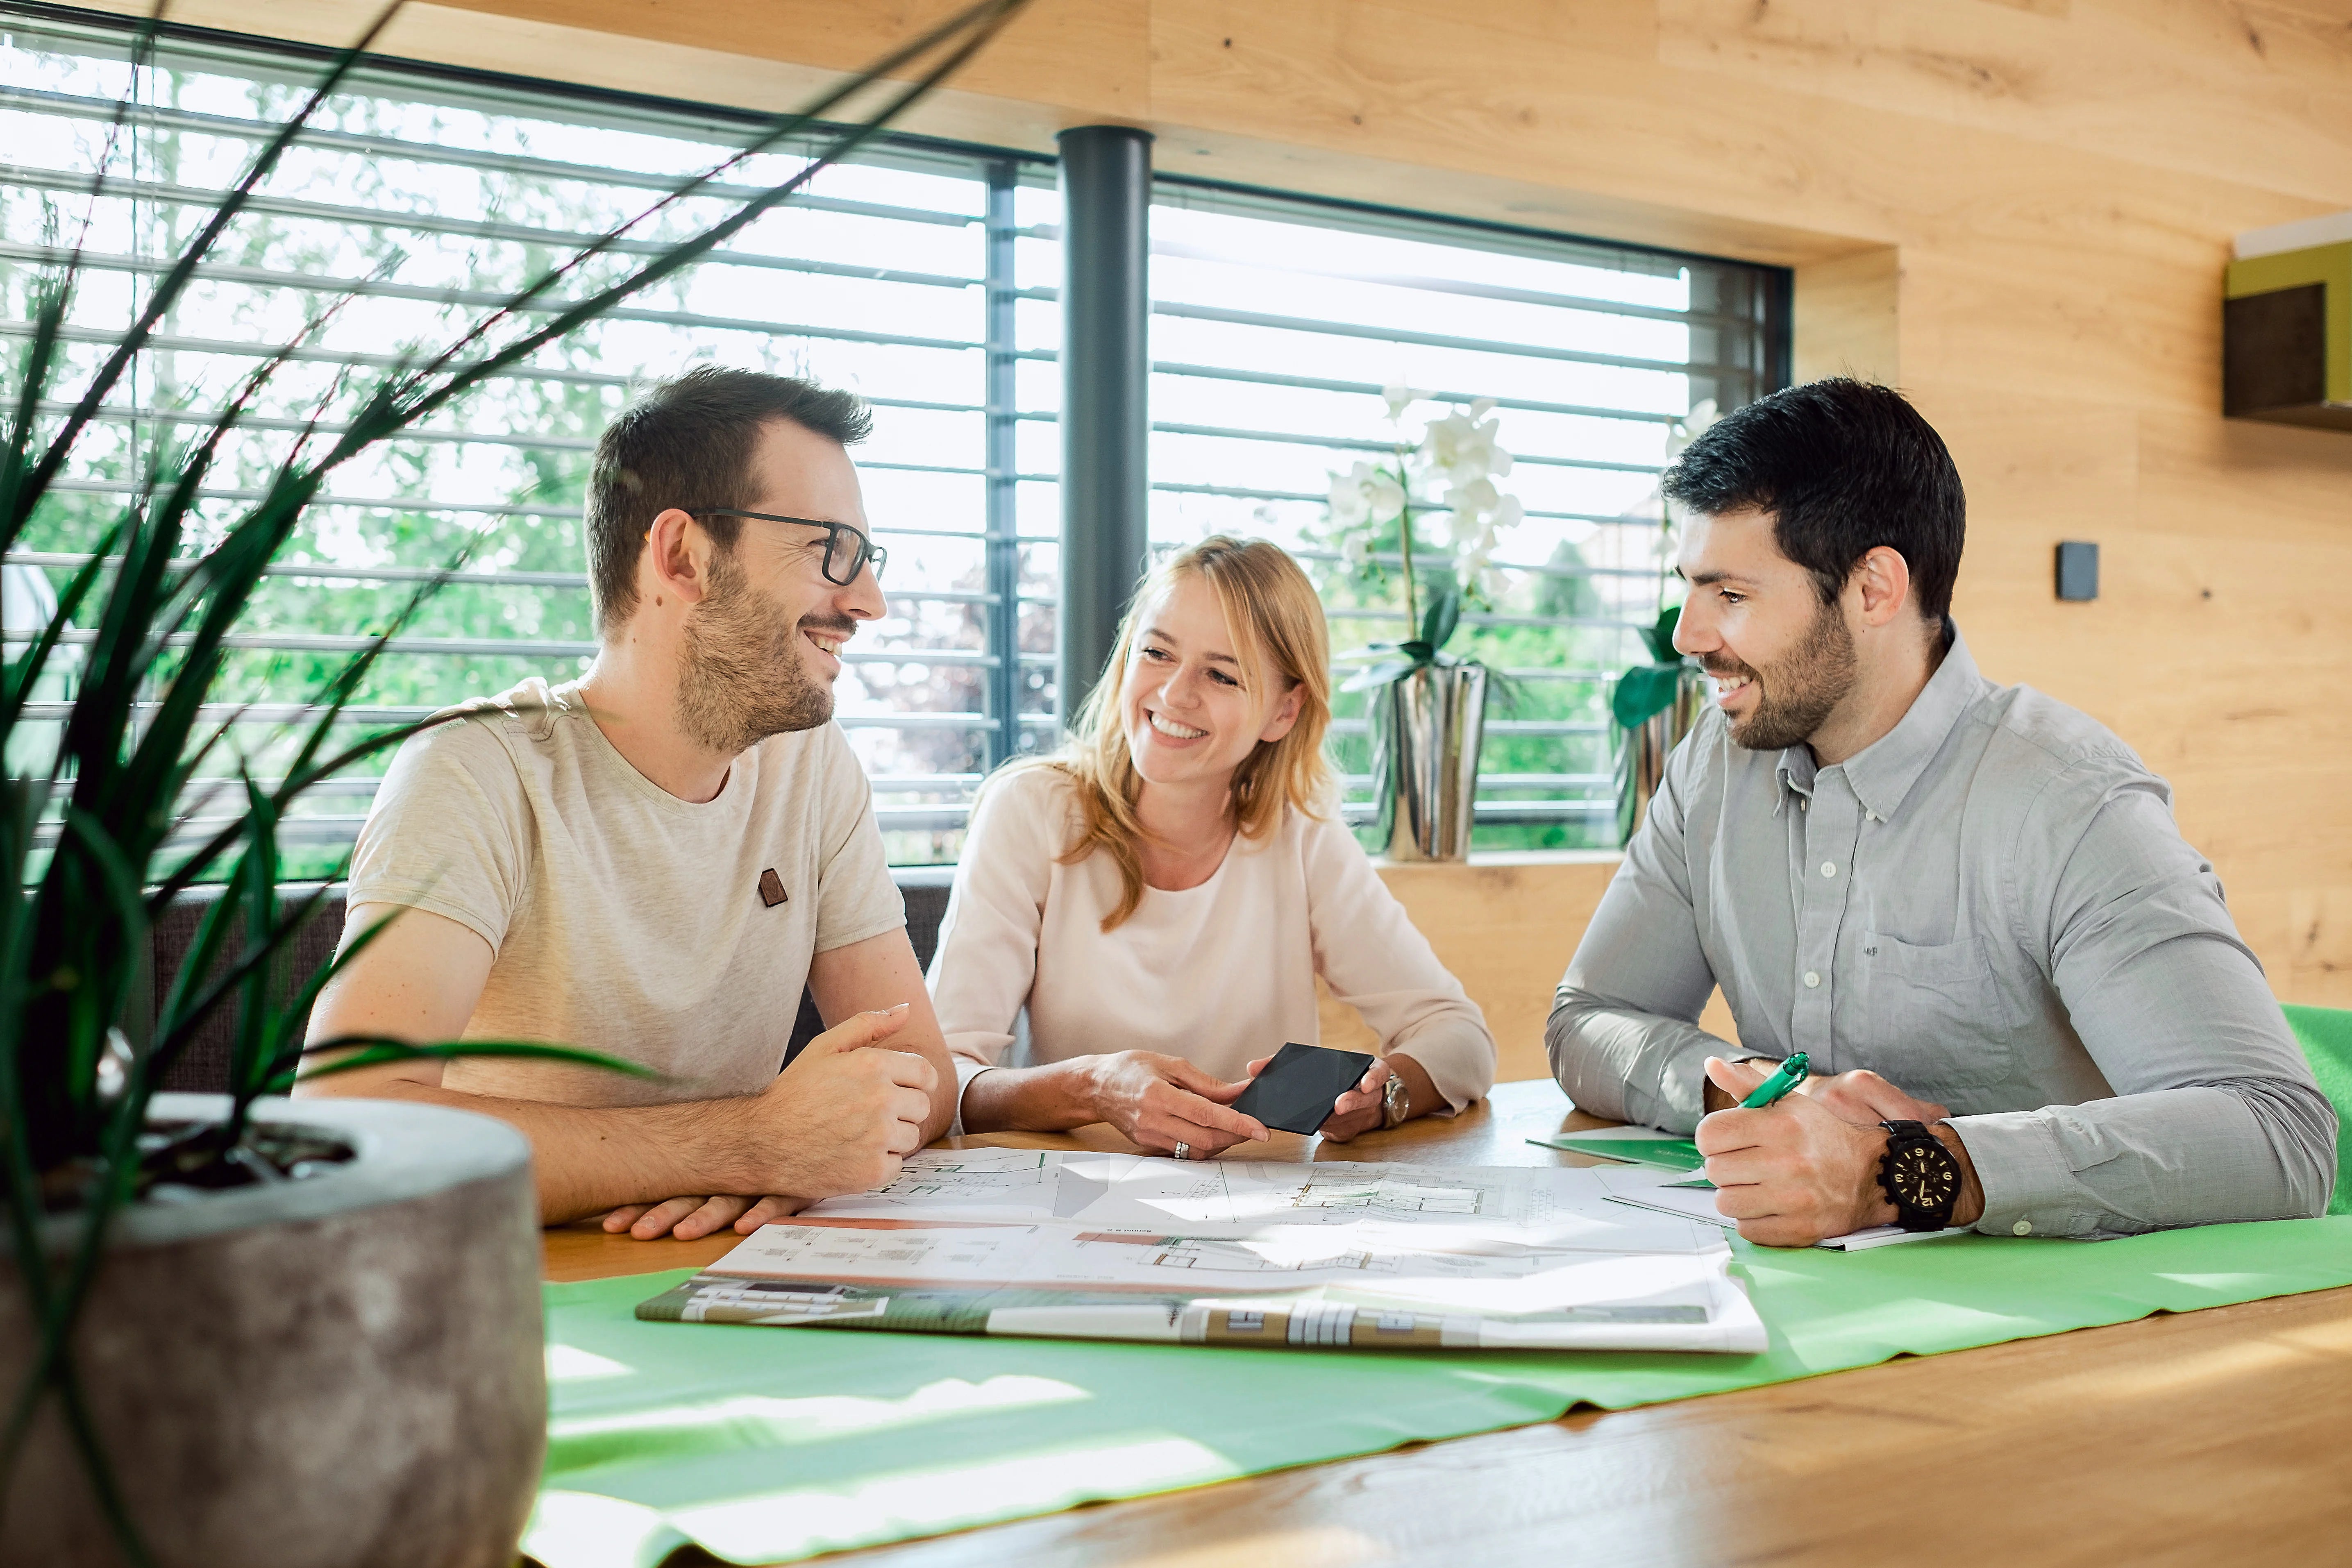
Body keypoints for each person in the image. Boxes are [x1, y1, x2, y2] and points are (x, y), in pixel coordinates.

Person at [1550, 378, 2336, 1246]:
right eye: (1688, 588)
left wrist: (1897, 1174)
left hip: (2061, 1327)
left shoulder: (2067, 801)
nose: (1685, 636)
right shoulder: (1715, 764)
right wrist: (1763, 1087)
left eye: (1729, 595)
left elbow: (2278, 1136)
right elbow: (1587, 1021)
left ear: (1874, 588)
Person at [297, 367, 958, 1240]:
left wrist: (786, 1147)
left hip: (724, 1277)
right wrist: (745, 1145)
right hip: (507, 1307)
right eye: (830, 550)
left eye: (867, 560)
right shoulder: (474, 772)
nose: (867, 602)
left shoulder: (812, 770)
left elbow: (923, 1076)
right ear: (681, 555)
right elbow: (348, 1128)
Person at [929, 535, 1496, 1155]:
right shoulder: (1031, 813)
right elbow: (943, 1081)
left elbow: (1460, 1038)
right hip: (1064, 1214)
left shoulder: (1301, 837)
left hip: (1255, 1221)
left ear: (1284, 711)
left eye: (1222, 675)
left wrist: (1385, 1099)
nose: (1174, 694)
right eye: (1157, 652)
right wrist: (1093, 1089)